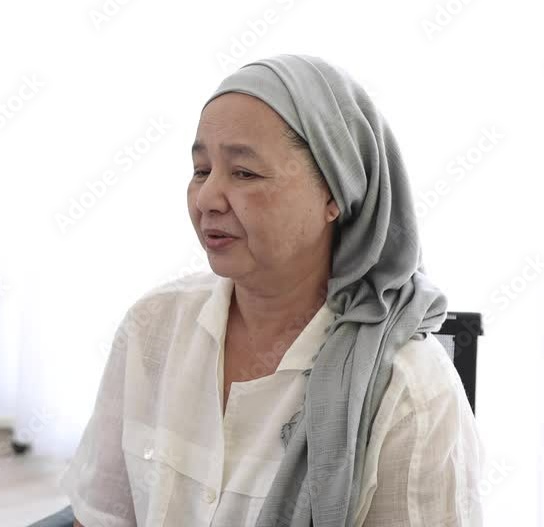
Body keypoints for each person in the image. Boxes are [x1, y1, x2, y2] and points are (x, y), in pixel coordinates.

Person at [61, 55, 482, 526]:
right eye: (201, 170)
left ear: (334, 193)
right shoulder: (152, 327)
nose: (207, 198)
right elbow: (100, 516)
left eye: (244, 173)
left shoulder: (409, 391)